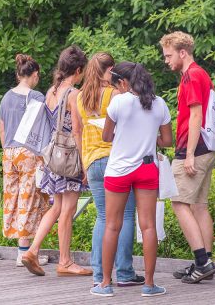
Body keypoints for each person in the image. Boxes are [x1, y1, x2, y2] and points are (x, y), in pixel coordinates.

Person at [92, 62, 173, 298]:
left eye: (114, 84)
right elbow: (167, 140)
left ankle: (105, 283)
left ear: (123, 82)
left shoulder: (119, 102)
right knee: (148, 226)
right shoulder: (159, 103)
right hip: (147, 168)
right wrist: (147, 136)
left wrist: (126, 134)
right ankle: (149, 284)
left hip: (119, 170)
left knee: (112, 225)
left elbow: (107, 136)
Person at [21, 45, 91, 277]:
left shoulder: (51, 91)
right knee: (68, 209)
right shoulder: (73, 94)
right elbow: (78, 131)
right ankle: (65, 261)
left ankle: (32, 250)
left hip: (53, 157)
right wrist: (85, 163)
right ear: (78, 70)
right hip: (70, 157)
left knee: (57, 206)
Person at [78, 53, 144, 288]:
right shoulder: (116, 94)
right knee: (125, 216)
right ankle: (124, 272)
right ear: (112, 69)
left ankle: (98, 274)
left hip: (92, 161)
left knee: (103, 217)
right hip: (117, 159)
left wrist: (84, 162)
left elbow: (78, 132)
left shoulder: (81, 97)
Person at [159, 31, 215, 283]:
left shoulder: (192, 76)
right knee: (199, 206)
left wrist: (190, 154)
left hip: (192, 148)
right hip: (208, 146)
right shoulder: (201, 73)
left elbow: (196, 115)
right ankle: (205, 261)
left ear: (183, 53)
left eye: (169, 55)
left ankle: (202, 263)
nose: (166, 60)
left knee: (178, 203)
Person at [0, 54, 50, 267]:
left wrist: (8, 150)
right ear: (34, 74)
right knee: (28, 199)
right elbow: (42, 129)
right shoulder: (36, 96)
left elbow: (2, 129)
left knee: (13, 198)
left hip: (8, 152)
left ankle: (21, 248)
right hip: (28, 152)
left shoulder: (6, 97)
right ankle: (24, 252)